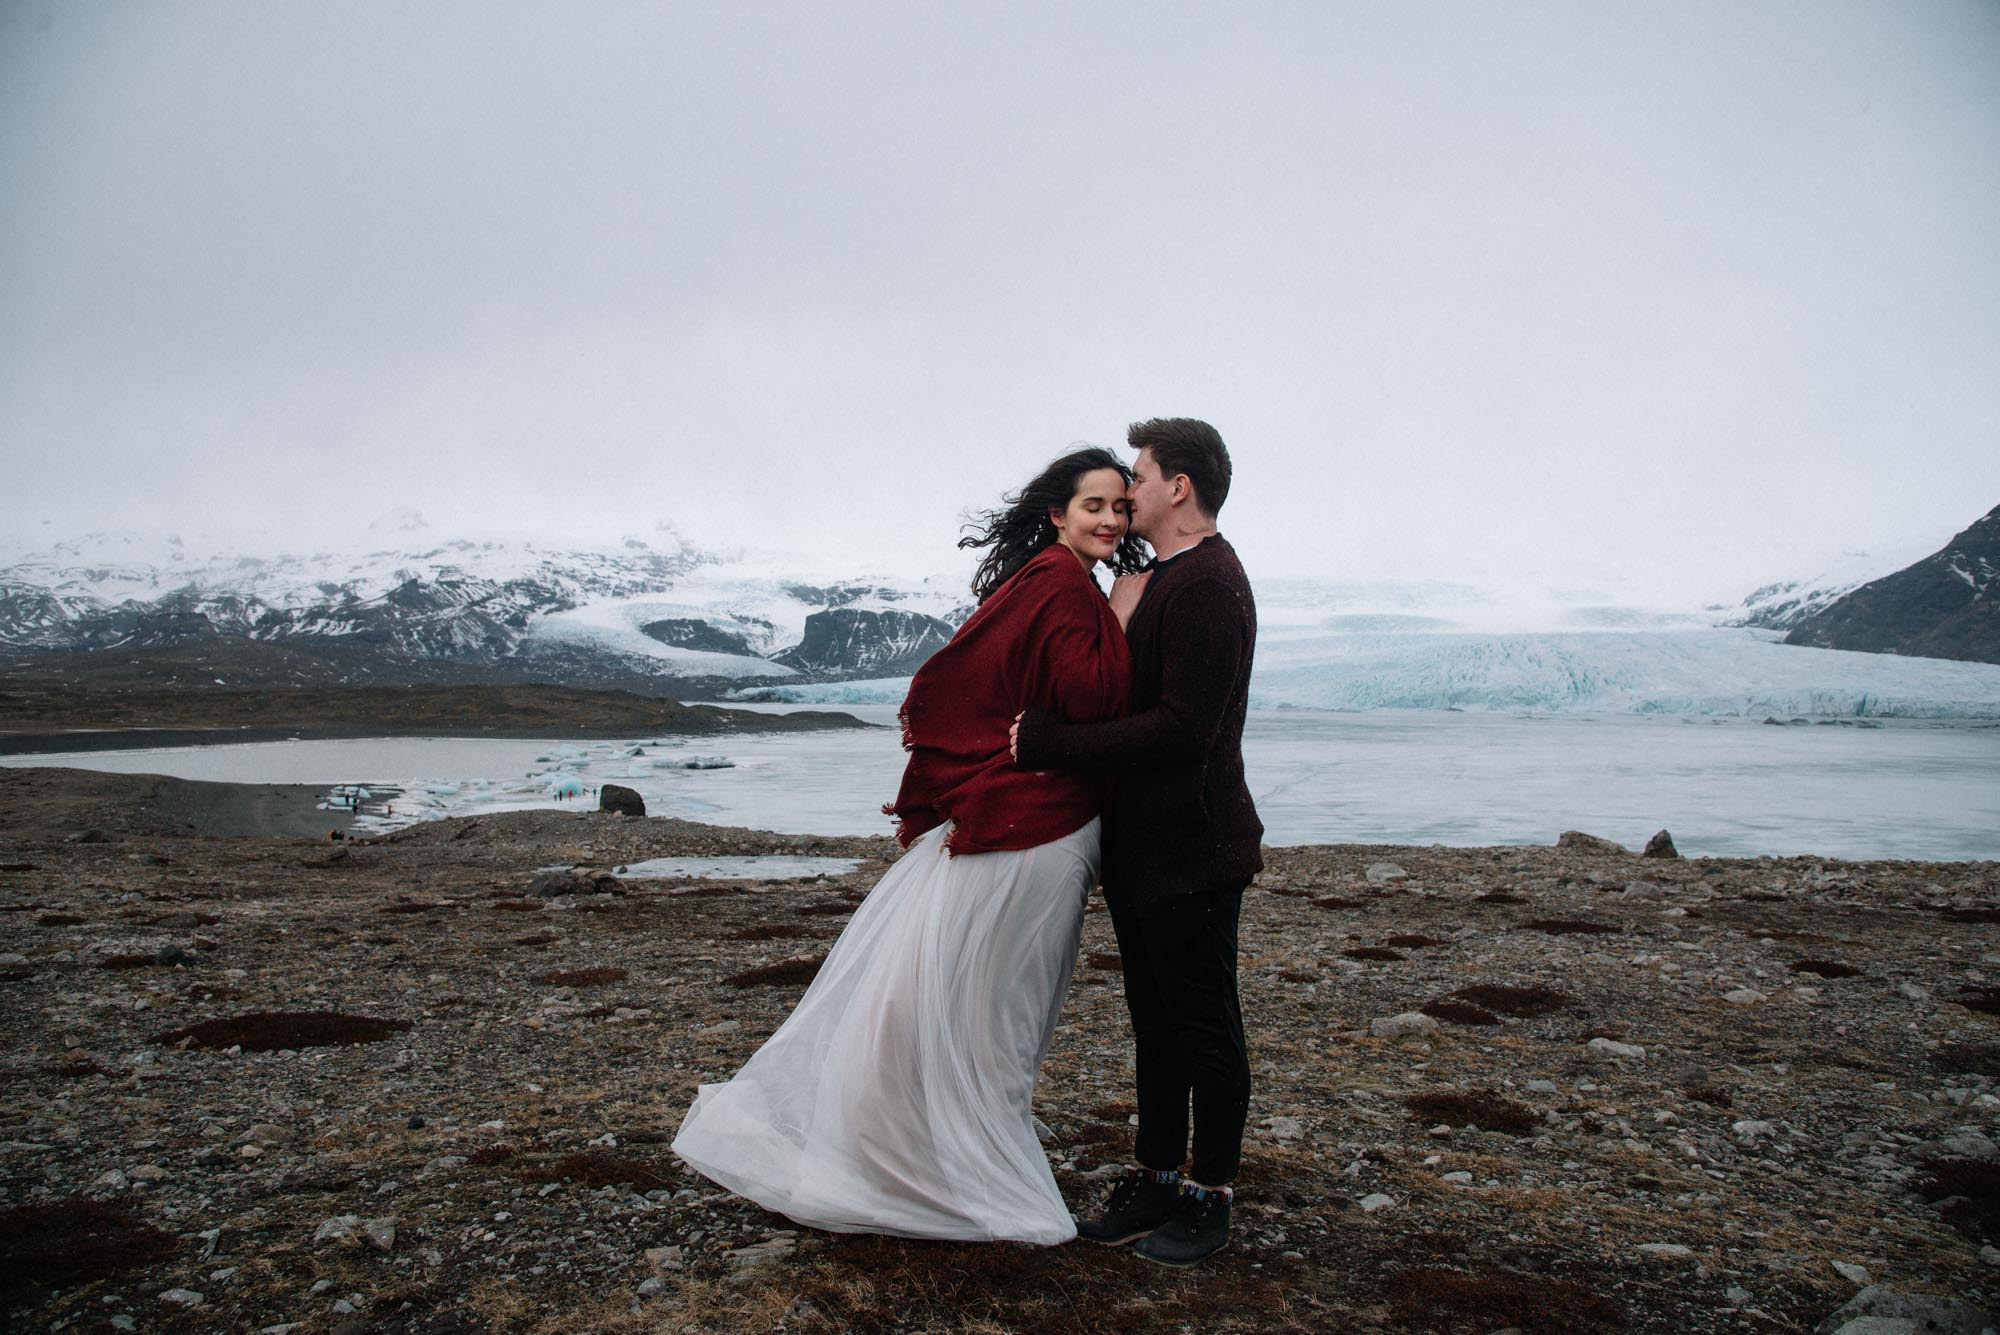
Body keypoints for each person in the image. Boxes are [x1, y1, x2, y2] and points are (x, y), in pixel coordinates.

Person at [671, 447, 1145, 1243]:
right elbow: (1091, 700)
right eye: (1093, 504)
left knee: (957, 1005)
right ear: (1057, 514)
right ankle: (963, 1180)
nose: (1110, 519)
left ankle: (911, 1158)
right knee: (1000, 1015)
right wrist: (1125, 621)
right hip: (1038, 828)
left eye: (1119, 507)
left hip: (1015, 823)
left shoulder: (1039, 580)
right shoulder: (1066, 586)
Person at [1011, 417, 1262, 1266]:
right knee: (1156, 1027)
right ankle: (1155, 1173)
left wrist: (1049, 742)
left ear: (1179, 487)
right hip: (1147, 851)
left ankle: (1210, 1193)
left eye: (1142, 477)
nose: (1130, 494)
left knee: (1204, 1026)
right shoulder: (1172, 578)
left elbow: (1183, 729)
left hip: (1193, 847)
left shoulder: (1208, 585)